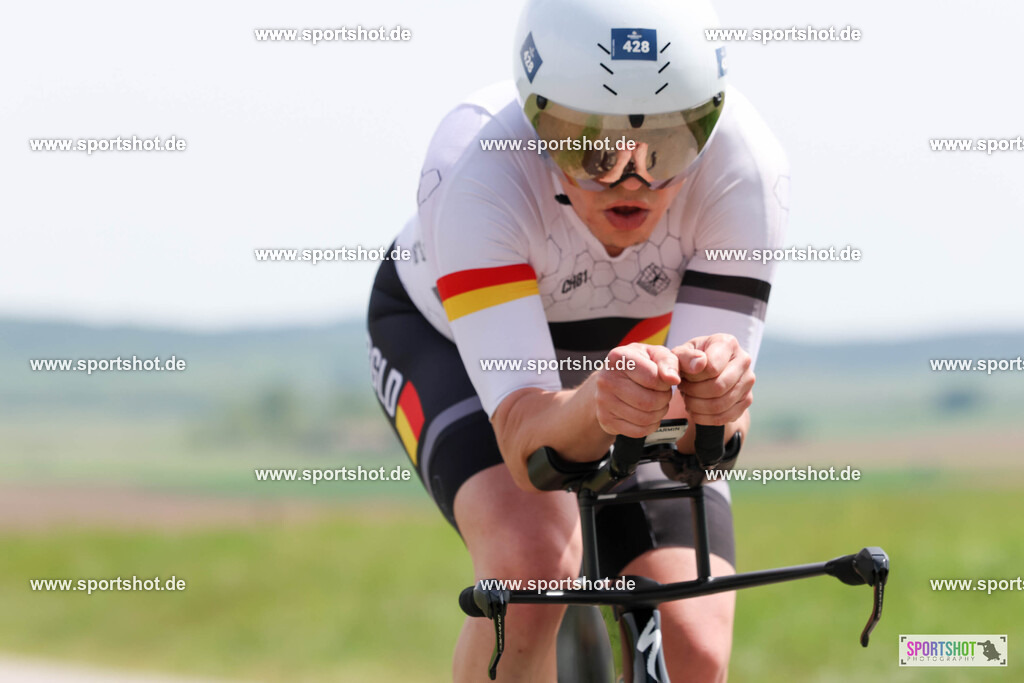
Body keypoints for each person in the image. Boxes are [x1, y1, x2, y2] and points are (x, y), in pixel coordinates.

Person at [367, 0, 788, 679]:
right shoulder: (476, 167)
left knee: (694, 644)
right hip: (450, 344)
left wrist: (718, 408)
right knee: (530, 576)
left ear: (709, 122)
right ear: (537, 122)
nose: (633, 181)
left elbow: (702, 453)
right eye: (590, 146)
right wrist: (595, 407)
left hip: (630, 367)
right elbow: (525, 443)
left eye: (669, 144)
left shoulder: (745, 165)